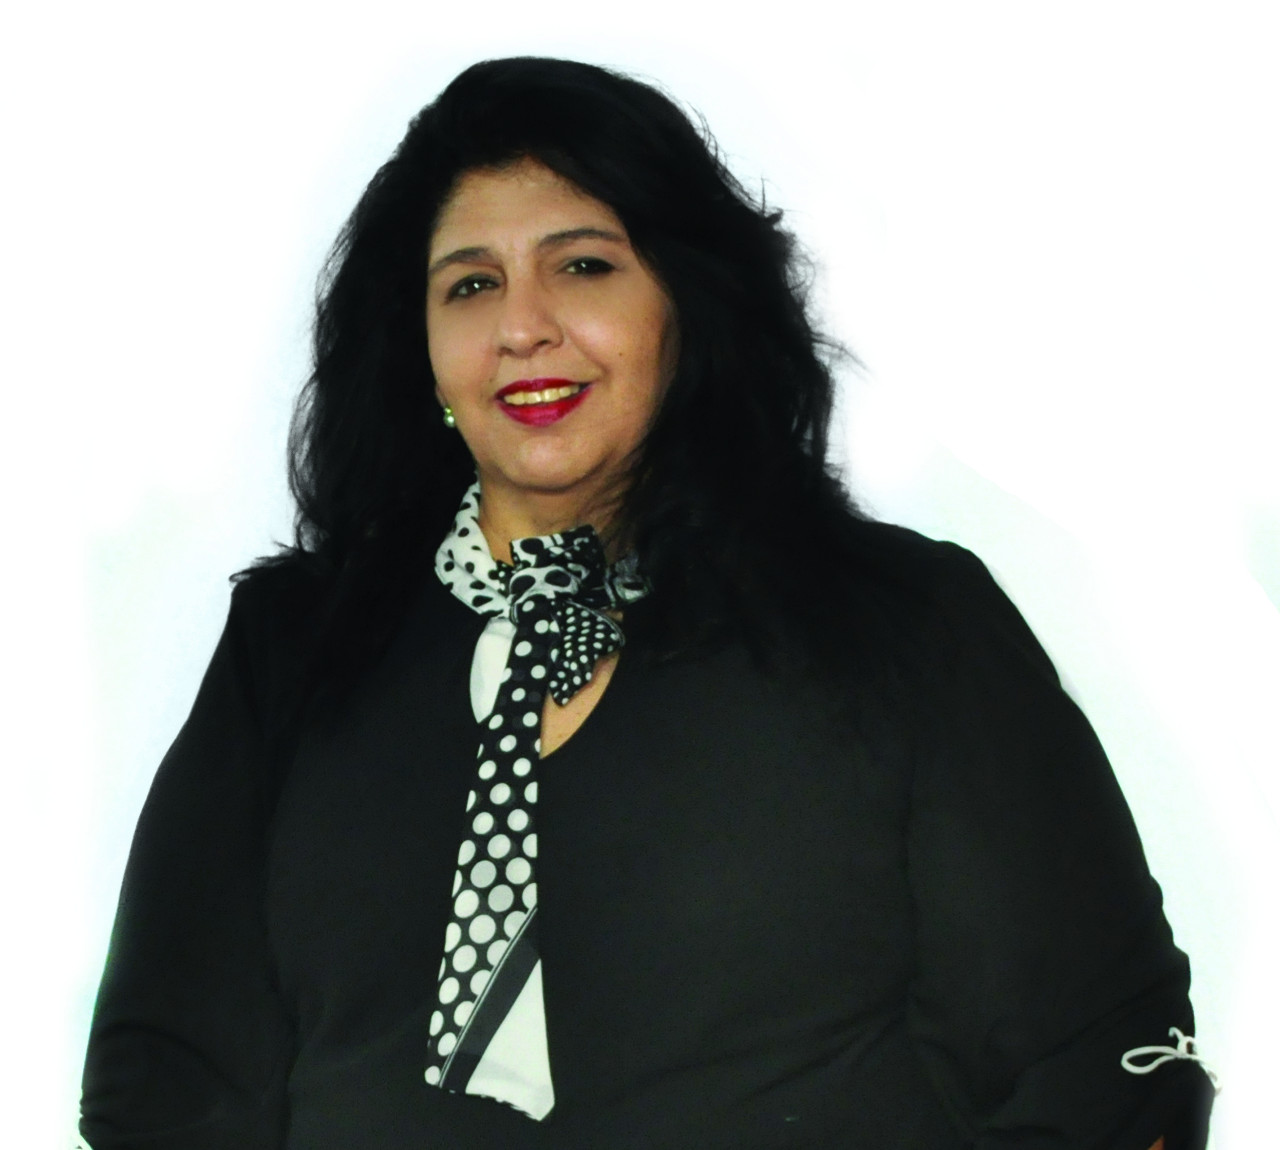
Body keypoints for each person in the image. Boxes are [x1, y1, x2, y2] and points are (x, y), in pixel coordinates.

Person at [79, 57, 1215, 1149]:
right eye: (470, 284)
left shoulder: (904, 625)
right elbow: (167, 1081)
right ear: (419, 350)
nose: (522, 325)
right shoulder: (293, 650)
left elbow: (1098, 1068)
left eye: (583, 266)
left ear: (687, 303)